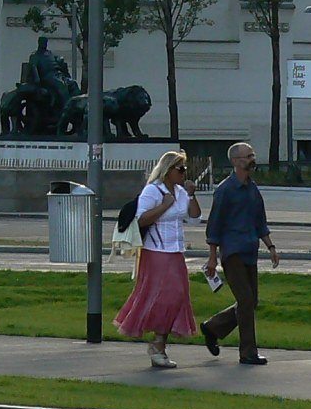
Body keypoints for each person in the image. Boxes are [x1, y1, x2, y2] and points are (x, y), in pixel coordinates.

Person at [114, 151, 201, 368]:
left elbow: (195, 218)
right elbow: (141, 220)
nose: (183, 173)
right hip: (156, 252)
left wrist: (191, 195)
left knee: (178, 296)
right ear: (168, 170)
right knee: (160, 296)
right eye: (180, 169)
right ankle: (157, 345)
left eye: (185, 169)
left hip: (176, 251)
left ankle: (159, 343)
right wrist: (164, 205)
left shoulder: (180, 192)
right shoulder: (153, 191)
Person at [202, 141, 280, 365]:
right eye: (247, 156)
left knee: (251, 301)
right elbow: (214, 226)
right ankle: (248, 352)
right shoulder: (225, 190)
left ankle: (212, 327)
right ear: (236, 161)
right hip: (232, 252)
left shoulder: (253, 188)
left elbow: (260, 221)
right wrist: (212, 256)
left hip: (249, 251)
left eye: (252, 154)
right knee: (245, 300)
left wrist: (271, 247)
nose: (252, 159)